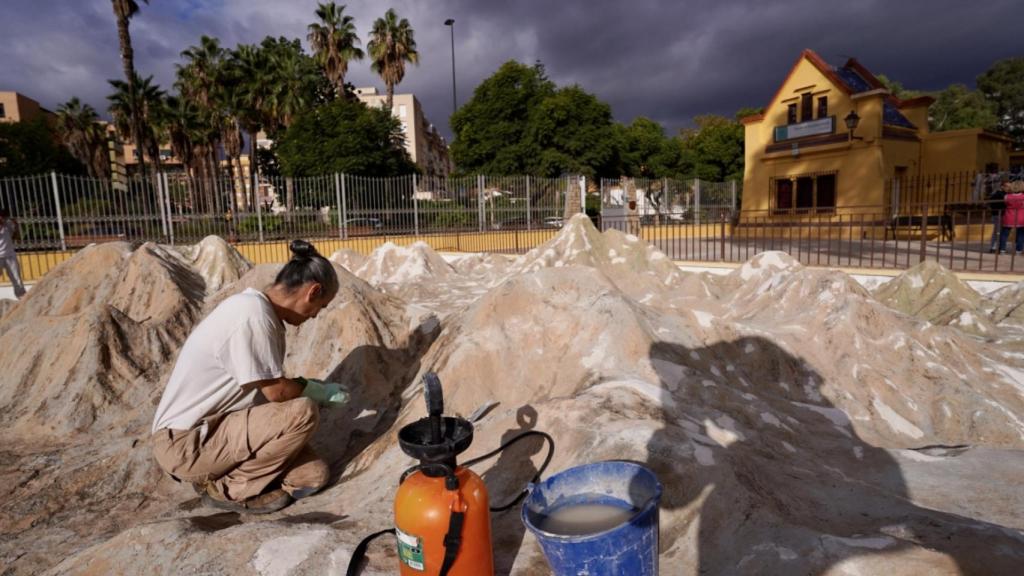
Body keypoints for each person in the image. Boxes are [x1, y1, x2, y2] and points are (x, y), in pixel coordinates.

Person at [151, 239, 348, 514]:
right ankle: (227, 489)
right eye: (321, 306)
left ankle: (220, 472)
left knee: (311, 475)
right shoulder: (252, 316)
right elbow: (277, 393)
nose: (315, 316)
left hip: (217, 429)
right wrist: (317, 391)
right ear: (312, 292)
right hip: (187, 443)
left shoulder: (257, 310)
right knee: (303, 412)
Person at [0, 208, 26, 299]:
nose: (3, 219)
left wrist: (16, 227)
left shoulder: (8, 225)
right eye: (2, 217)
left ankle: (21, 296)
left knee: (16, 278)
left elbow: (15, 238)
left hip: (10, 255)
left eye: (4, 217)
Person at [998, 181, 1024, 254]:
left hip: (1009, 216)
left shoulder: (1007, 196)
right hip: (1021, 217)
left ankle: (1002, 249)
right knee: (1020, 234)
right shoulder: (1023, 196)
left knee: (1004, 234)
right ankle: (1018, 250)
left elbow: (1005, 203)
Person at [987, 176, 1008, 253]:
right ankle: (994, 247)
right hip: (998, 215)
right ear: (1002, 186)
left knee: (999, 231)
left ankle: (997, 247)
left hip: (1000, 215)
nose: (1008, 188)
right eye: (1007, 186)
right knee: (997, 231)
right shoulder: (998, 194)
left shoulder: (1003, 194)